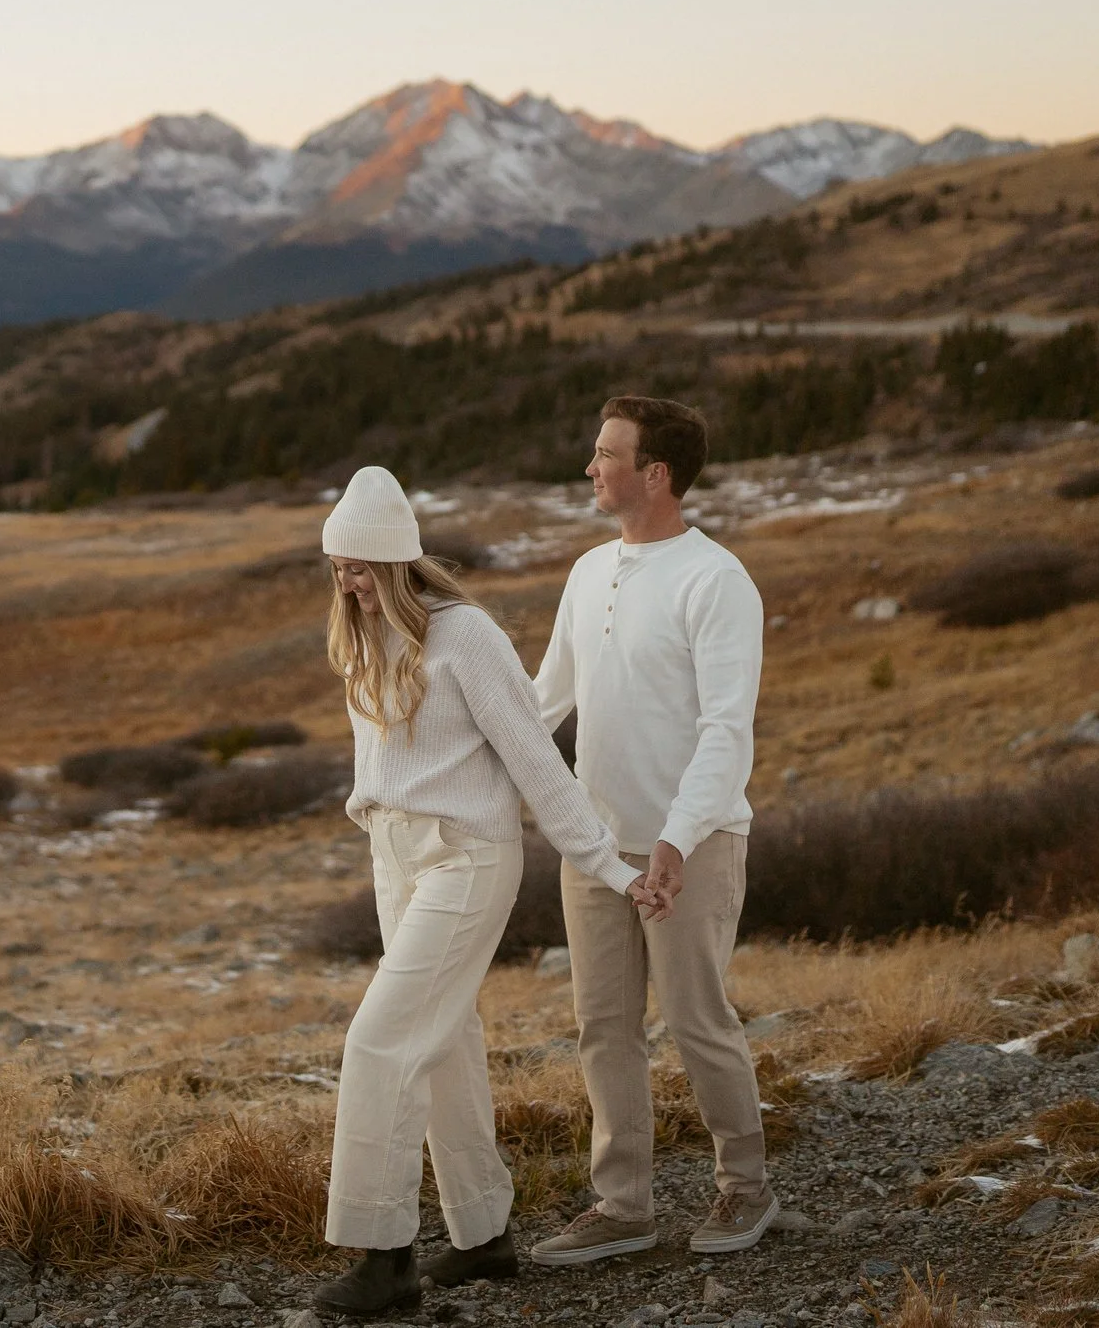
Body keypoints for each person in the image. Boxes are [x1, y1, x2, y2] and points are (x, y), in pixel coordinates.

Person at [312, 466, 663, 1318]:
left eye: (363, 566)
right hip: (396, 859)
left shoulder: (464, 636)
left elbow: (536, 761)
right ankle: (482, 1235)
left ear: (398, 560)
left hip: (466, 861)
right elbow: (387, 760)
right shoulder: (360, 635)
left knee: (380, 1042)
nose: (349, 582)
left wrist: (611, 865)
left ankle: (383, 1254)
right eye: (338, 566)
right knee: (443, 1045)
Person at [527, 396, 775, 1266]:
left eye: (606, 453)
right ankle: (622, 1203)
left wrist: (673, 841)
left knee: (698, 1018)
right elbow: (541, 699)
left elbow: (725, 731)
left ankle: (745, 1186)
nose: (591, 467)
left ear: (655, 474)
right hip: (594, 848)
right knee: (603, 1026)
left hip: (693, 844)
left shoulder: (717, 580)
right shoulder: (589, 572)